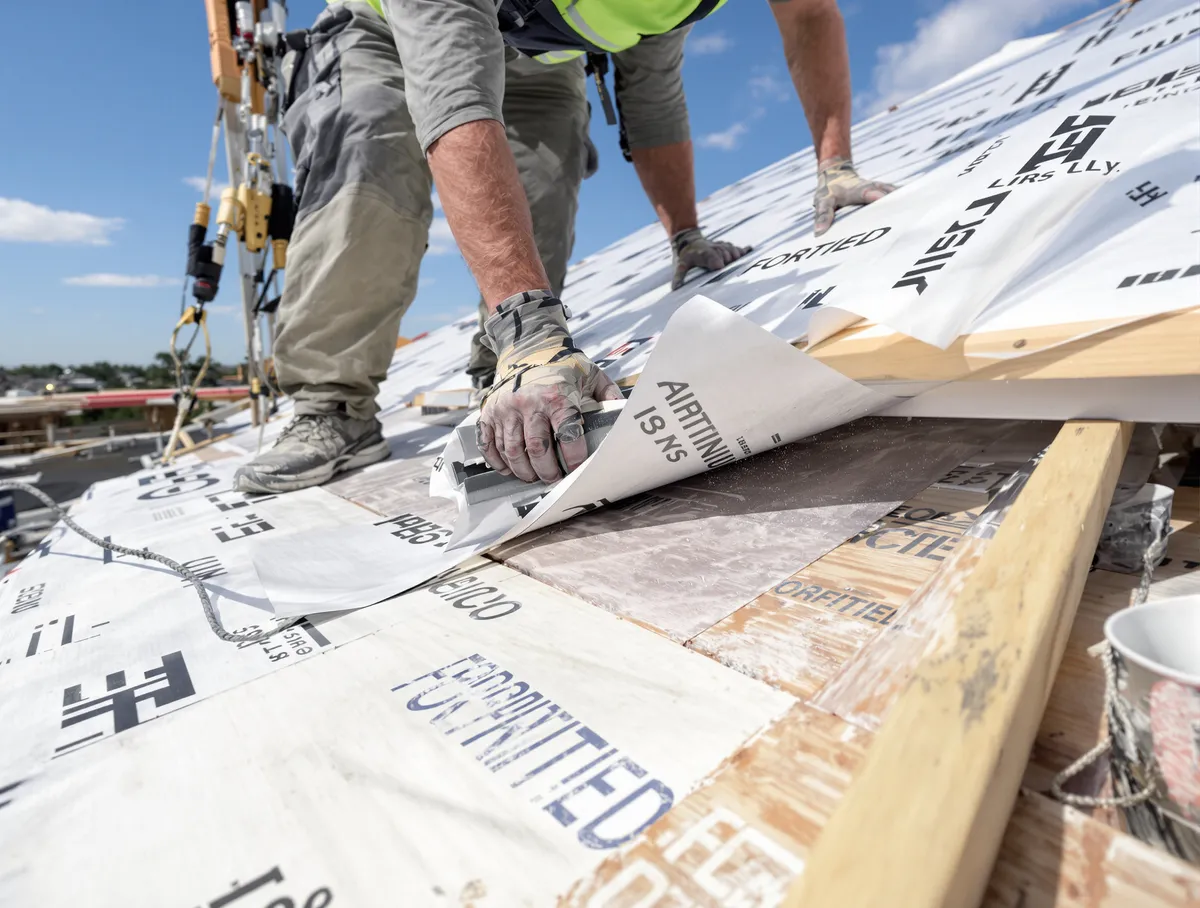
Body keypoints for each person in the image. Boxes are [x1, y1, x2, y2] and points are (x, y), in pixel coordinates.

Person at [234, 0, 893, 496]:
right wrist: (526, 325)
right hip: (383, 30)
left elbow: (659, 90)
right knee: (368, 169)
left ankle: (499, 376)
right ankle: (332, 405)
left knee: (542, 204)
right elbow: (451, 91)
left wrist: (693, 236)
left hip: (535, 55)